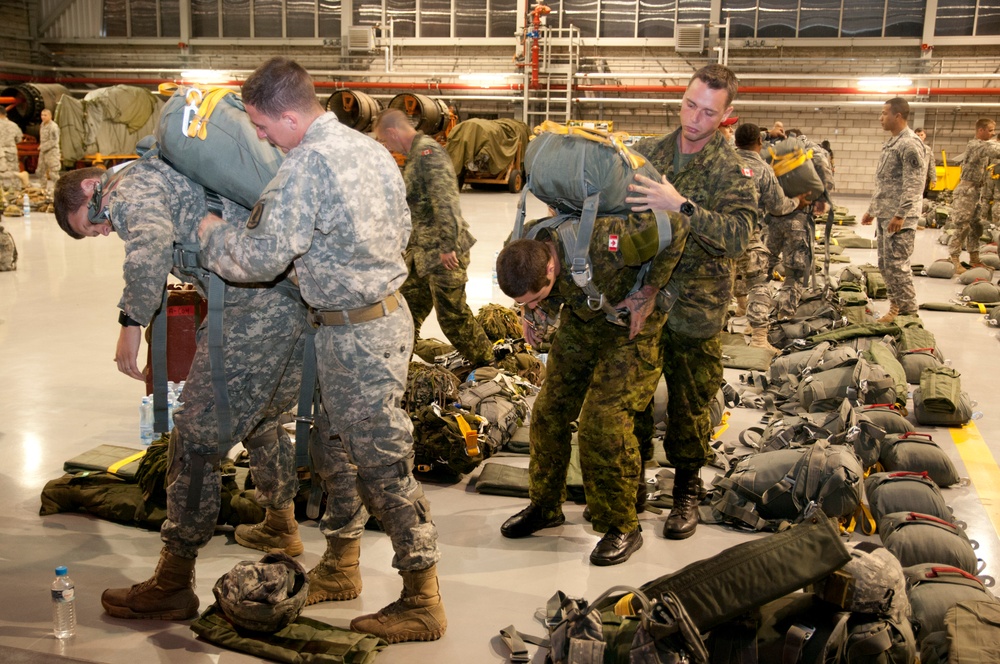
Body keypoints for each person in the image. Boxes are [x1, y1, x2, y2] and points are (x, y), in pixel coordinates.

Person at [197, 56, 445, 644]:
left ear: (288, 116)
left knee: (383, 464)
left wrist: (212, 236)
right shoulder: (370, 150)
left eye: (261, 125)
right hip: (371, 320)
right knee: (334, 447)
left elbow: (258, 259)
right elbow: (402, 229)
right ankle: (341, 563)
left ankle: (423, 597)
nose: (259, 136)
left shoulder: (305, 165)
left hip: (357, 334)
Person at [53, 159, 308, 621]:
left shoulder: (126, 186)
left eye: (94, 223)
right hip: (288, 299)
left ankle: (173, 581)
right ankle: (281, 522)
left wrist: (131, 324)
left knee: (193, 439)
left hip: (253, 310)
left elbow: (148, 246)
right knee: (263, 418)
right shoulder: (161, 173)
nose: (105, 230)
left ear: (93, 188)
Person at [496, 207, 687, 565]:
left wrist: (648, 291)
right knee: (548, 411)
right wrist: (534, 313)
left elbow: (676, 225)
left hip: (632, 326)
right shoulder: (523, 245)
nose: (531, 305)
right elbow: (537, 294)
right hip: (584, 321)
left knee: (602, 423)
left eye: (535, 297)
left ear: (550, 268)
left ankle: (622, 525)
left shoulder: (608, 239)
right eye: (523, 302)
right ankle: (545, 506)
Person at [627, 64, 757, 540]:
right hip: (645, 300)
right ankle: (635, 483)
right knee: (634, 400)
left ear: (727, 115)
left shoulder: (734, 169)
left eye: (707, 112)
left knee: (689, 404)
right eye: (689, 105)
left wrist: (680, 204)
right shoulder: (647, 154)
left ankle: (685, 493)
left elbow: (739, 237)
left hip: (697, 309)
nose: (694, 119)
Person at [373, 108, 494, 368]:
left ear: (393, 132)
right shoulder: (416, 154)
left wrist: (448, 246)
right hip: (421, 254)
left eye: (384, 140)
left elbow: (446, 198)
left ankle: (490, 365)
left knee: (453, 318)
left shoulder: (428, 152)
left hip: (443, 252)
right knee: (405, 312)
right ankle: (398, 365)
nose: (386, 146)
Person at [733, 123, 808, 352]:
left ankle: (736, 309)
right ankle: (758, 338)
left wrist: (766, 133)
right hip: (747, 232)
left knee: (719, 278)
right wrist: (798, 202)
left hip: (715, 233)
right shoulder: (762, 169)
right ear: (760, 143)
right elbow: (777, 206)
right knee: (759, 280)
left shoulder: (723, 159)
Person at [861, 98, 926, 324]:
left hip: (899, 218)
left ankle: (910, 316)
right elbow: (886, 182)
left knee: (898, 265)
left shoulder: (909, 144)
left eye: (884, 113)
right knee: (885, 265)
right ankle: (896, 307)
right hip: (886, 215)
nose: (881, 118)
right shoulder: (892, 143)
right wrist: (873, 210)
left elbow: (914, 183)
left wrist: (901, 214)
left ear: (898, 116)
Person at [764, 128, 835, 319]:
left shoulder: (774, 151)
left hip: (772, 218)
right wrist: (823, 200)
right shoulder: (814, 150)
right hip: (800, 217)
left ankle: (758, 315)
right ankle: (785, 316)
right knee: (794, 273)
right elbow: (826, 178)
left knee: (764, 269)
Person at [947, 118, 1000, 273]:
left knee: (976, 227)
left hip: (976, 192)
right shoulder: (975, 145)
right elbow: (996, 151)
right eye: (990, 130)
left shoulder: (985, 145)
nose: (993, 133)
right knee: (961, 226)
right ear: (980, 130)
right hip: (966, 192)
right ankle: (954, 258)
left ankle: (974, 258)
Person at [0, 106, 28, 190]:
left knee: (2, 172)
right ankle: (17, 190)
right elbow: (19, 139)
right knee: (13, 169)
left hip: (0, 152)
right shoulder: (13, 125)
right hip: (11, 151)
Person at [38, 109, 61, 186]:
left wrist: (43, 147)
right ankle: (43, 188)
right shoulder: (42, 125)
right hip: (43, 152)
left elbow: (54, 141)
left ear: (50, 116)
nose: (43, 117)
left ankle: (59, 189)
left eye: (45, 115)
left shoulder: (53, 127)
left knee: (53, 173)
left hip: (52, 152)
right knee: (40, 171)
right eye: (42, 115)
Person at [914, 127, 937, 194]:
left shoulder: (928, 149)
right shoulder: (909, 148)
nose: (919, 137)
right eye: (917, 135)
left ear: (925, 136)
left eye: (921, 135)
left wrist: (933, 178)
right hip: (911, 178)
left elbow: (931, 164)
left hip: (923, 178)